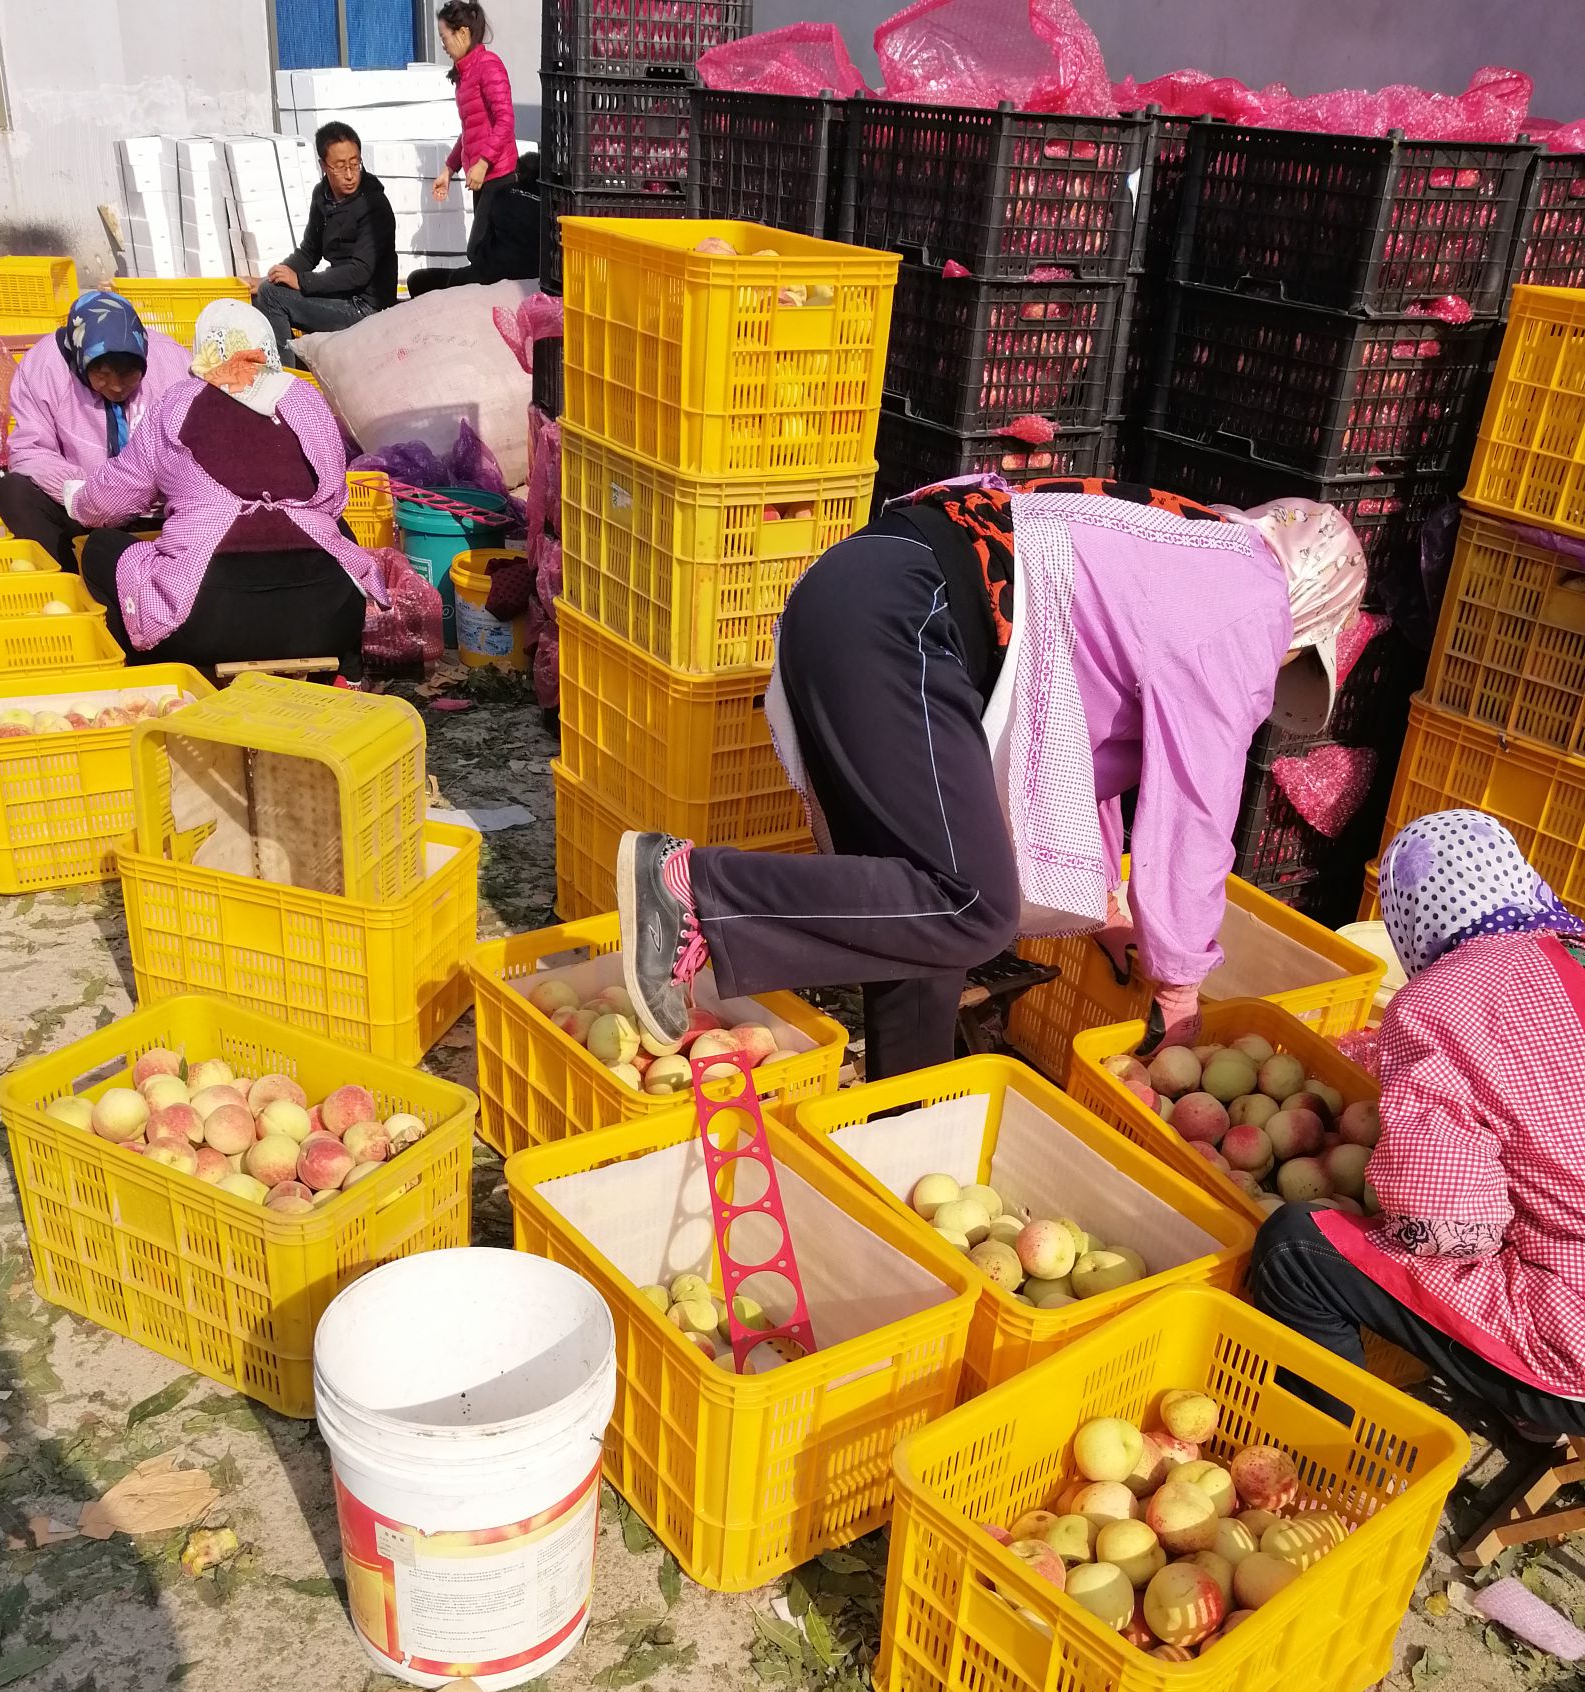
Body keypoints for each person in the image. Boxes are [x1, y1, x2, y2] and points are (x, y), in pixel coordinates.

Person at [613, 480, 1368, 1080]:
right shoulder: (1249, 604)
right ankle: (697, 890)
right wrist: (1179, 984)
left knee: (925, 925)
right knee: (972, 906)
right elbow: (1198, 805)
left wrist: (1104, 906)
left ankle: (908, 1133)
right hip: (908, 617)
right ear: (1309, 617)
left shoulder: (1183, 551)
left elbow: (1082, 753)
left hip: (866, 597)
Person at [1251, 811, 1585, 1433]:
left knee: (1295, 1247)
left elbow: (1442, 1224)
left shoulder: (1444, 1002)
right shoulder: (1573, 953)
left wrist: (1394, 1165)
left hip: (1576, 1336)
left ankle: (1323, 1464)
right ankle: (1529, 1412)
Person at [69, 299, 386, 675]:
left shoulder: (177, 403)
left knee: (102, 548)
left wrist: (76, 500)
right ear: (267, 345)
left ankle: (155, 667)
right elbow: (333, 498)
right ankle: (344, 666)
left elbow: (113, 498)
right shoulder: (305, 398)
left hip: (208, 626)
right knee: (336, 530)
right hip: (326, 622)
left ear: (204, 350)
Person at [0, 289, 190, 571]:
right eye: (103, 375)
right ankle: (70, 578)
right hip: (80, 505)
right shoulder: (44, 367)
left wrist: (139, 491)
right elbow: (29, 451)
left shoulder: (174, 365)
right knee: (13, 491)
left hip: (159, 512)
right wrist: (85, 493)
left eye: (129, 376)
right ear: (81, 361)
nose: (116, 387)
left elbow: (198, 448)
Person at [252, 121, 397, 362]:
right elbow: (309, 253)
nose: (350, 175)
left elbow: (359, 272)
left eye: (355, 164)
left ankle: (289, 382)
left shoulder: (375, 206)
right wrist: (275, 276)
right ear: (323, 166)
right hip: (341, 296)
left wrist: (301, 281)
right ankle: (296, 365)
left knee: (272, 296)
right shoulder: (322, 195)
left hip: (366, 308)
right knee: (264, 291)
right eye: (340, 167)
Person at [427, 2, 519, 289]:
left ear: (463, 33)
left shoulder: (488, 66)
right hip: (481, 179)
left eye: (444, 37)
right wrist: (449, 168)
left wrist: (482, 163)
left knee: (479, 250)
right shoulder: (465, 74)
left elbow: (506, 120)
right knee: (483, 253)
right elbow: (470, 132)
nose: (442, 45)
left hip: (498, 176)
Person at [408, 148, 539, 293]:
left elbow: (481, 245)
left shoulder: (503, 194)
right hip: (529, 274)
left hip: (493, 273)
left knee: (417, 279)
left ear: (518, 173)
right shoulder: (549, 205)